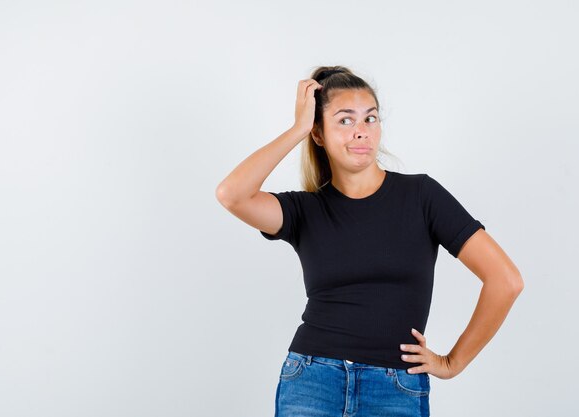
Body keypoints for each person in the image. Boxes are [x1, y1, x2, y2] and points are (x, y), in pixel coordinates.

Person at [215, 65, 524, 417]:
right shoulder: (304, 210)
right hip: (312, 380)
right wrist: (298, 128)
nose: (361, 132)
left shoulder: (422, 196)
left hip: (395, 388)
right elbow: (232, 194)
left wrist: (453, 362)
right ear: (319, 134)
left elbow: (506, 280)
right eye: (345, 121)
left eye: (370, 119)